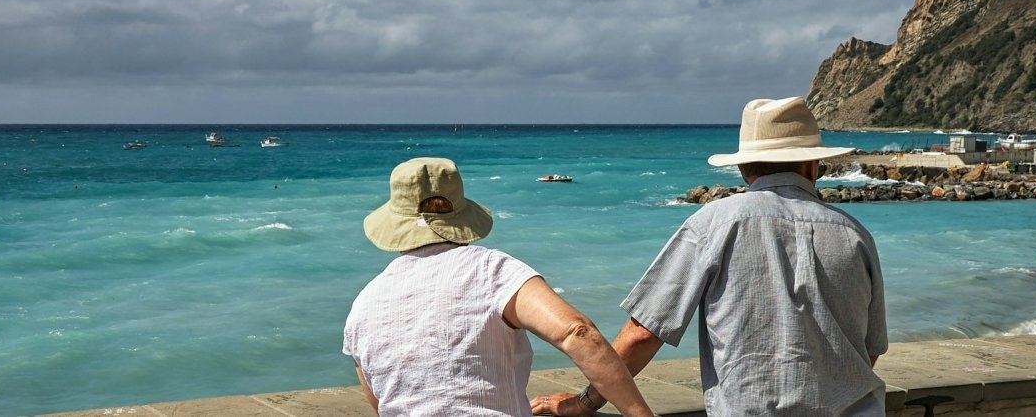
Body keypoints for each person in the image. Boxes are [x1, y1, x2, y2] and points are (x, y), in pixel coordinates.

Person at [533, 97, 889, 416]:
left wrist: (585, 403)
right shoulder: (855, 233)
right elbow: (868, 351)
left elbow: (644, 334)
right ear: (812, 165)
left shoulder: (712, 224)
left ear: (743, 168)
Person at [344, 157, 654, 417]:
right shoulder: (491, 271)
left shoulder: (363, 304)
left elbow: (382, 402)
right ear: (462, 216)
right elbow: (578, 333)